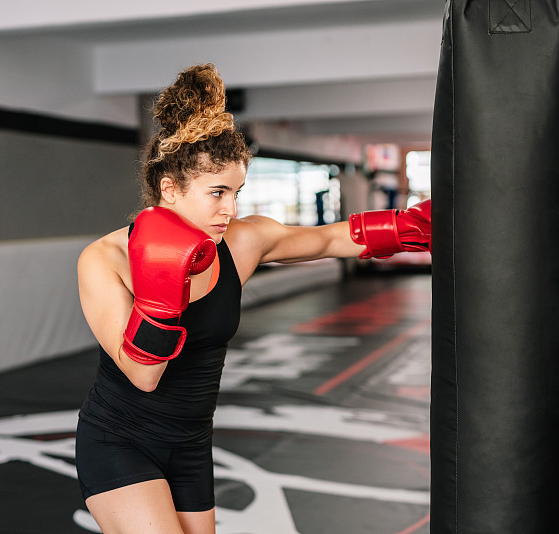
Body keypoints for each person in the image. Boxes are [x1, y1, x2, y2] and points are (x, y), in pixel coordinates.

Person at [74, 63, 431, 534]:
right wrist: (162, 287)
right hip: (119, 438)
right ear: (170, 188)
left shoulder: (241, 242)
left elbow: (327, 241)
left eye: (237, 192)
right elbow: (143, 374)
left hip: (191, 442)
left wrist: (416, 228)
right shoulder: (105, 259)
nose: (231, 209)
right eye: (217, 192)